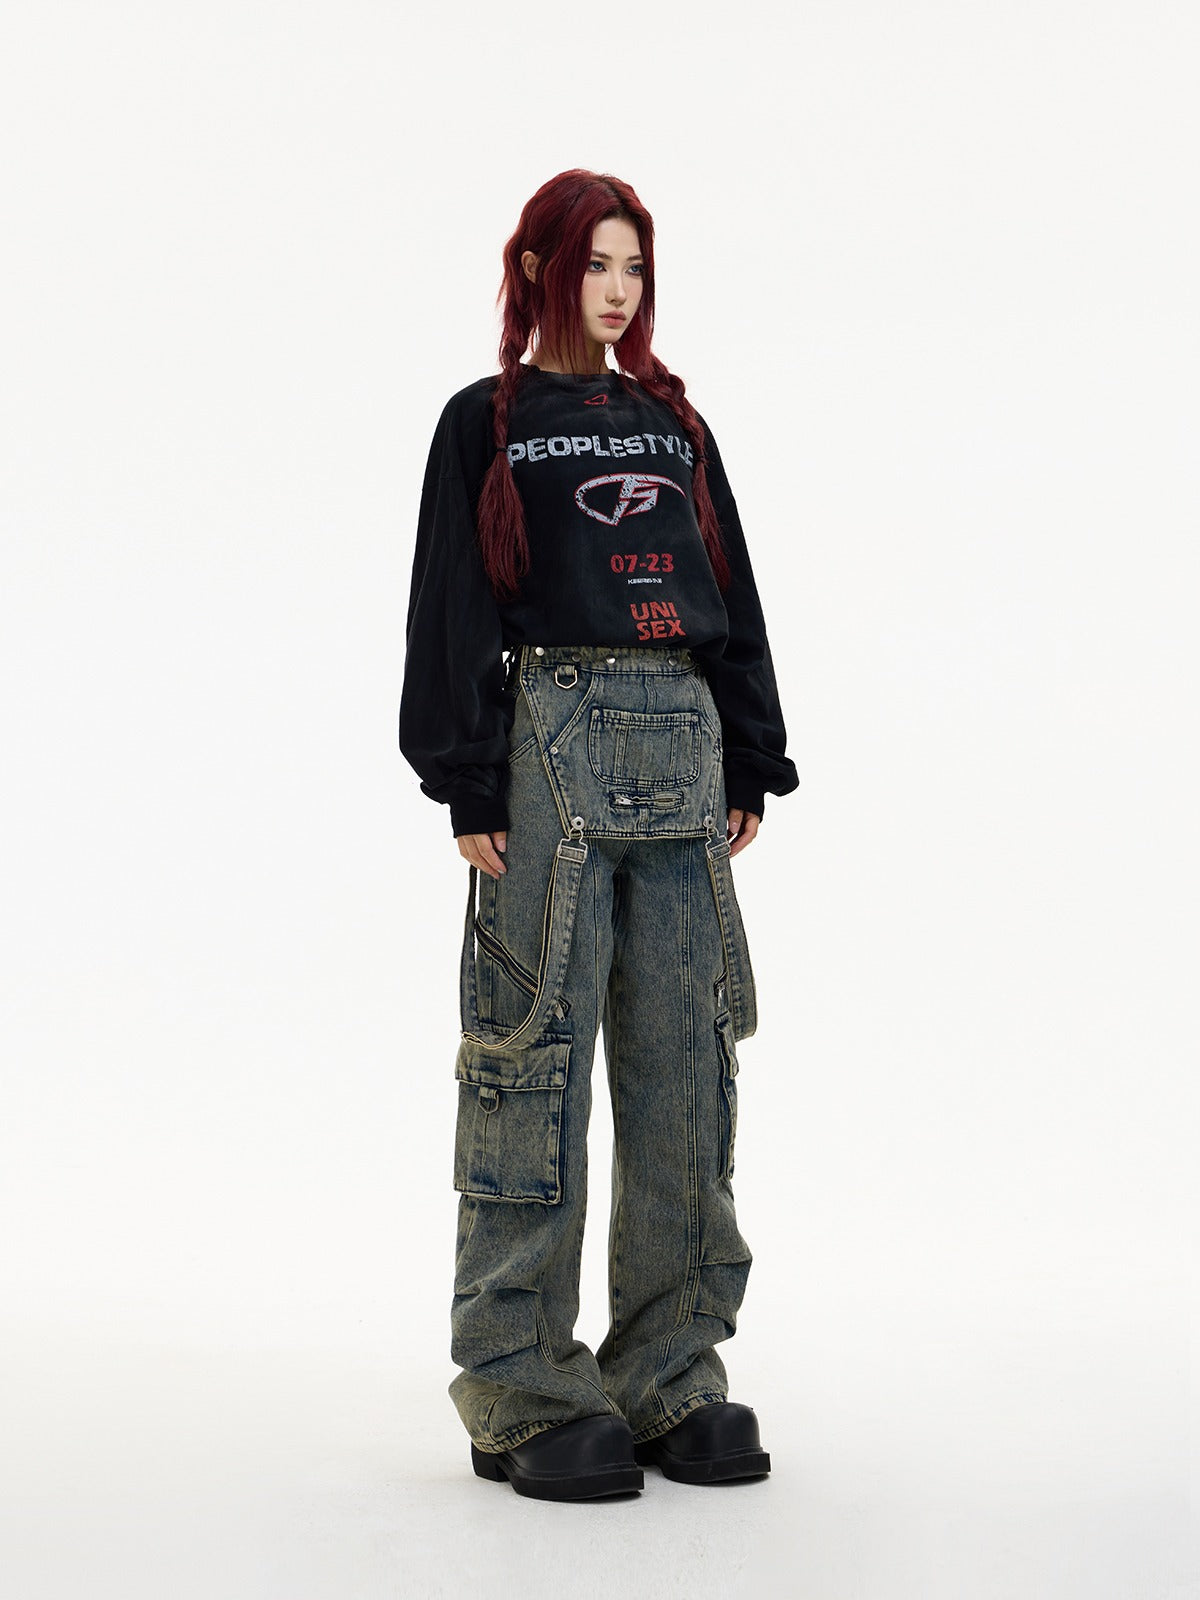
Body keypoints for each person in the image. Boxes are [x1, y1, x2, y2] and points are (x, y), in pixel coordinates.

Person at [398, 169, 799, 1501]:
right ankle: (519, 1382)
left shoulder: (675, 425)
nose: (618, 290)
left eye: (634, 266)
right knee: (533, 1060)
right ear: (537, 272)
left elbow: (729, 588)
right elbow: (451, 598)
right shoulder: (485, 422)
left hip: (685, 747)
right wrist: (465, 779)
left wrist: (751, 749)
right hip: (545, 754)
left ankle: (670, 1371)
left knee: (688, 1062)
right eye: (594, 264)